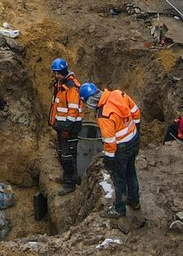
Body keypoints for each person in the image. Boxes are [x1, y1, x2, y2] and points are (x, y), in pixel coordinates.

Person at [79, 82, 142, 218]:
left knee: (119, 178)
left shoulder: (104, 116)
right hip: (133, 140)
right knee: (131, 171)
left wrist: (109, 159)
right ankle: (134, 201)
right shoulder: (118, 94)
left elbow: (109, 141)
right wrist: (136, 129)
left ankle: (119, 209)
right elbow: (135, 111)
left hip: (121, 148)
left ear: (90, 100)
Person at [48, 58, 82, 194]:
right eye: (55, 73)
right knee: (62, 154)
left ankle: (71, 183)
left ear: (64, 71)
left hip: (70, 128)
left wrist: (67, 128)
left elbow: (73, 110)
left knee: (68, 156)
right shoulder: (60, 85)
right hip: (61, 126)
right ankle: (67, 176)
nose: (56, 76)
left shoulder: (71, 87)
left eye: (58, 73)